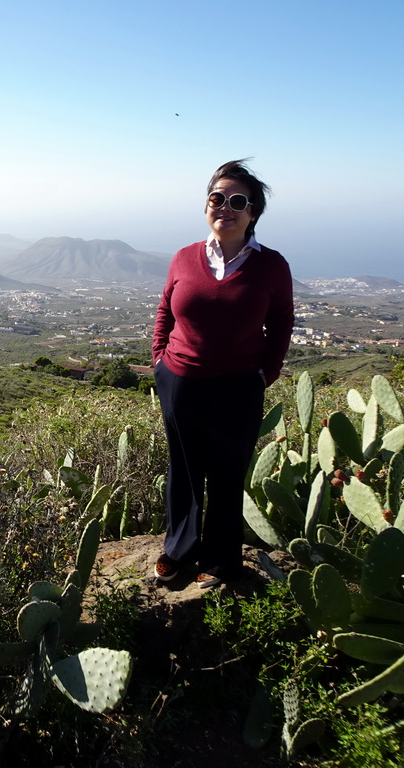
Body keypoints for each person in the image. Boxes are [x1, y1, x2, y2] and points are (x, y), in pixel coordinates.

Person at [150, 159, 294, 588]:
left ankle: (220, 561)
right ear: (206, 206)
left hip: (238, 387)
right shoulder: (183, 258)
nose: (224, 207)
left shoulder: (270, 266)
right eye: (217, 198)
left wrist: (263, 374)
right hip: (180, 380)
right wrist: (160, 359)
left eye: (237, 201)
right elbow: (164, 310)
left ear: (253, 213)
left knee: (228, 475)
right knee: (185, 471)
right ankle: (178, 551)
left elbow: (282, 323)